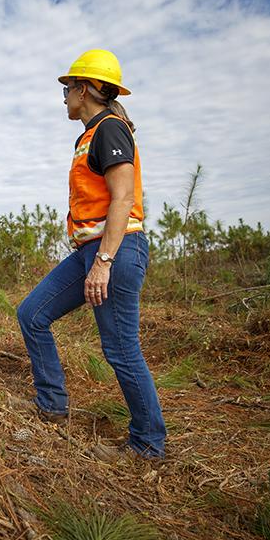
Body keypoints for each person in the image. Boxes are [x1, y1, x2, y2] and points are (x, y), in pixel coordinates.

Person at [14, 49, 166, 460]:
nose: (63, 97)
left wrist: (104, 262)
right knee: (32, 313)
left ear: (83, 89)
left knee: (121, 350)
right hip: (89, 251)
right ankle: (52, 404)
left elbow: (123, 198)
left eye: (67, 89)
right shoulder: (89, 134)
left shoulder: (110, 129)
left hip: (114, 251)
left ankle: (148, 443)